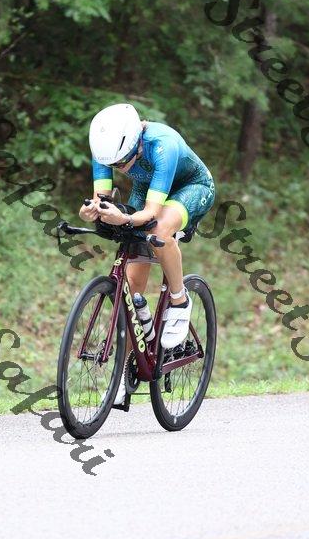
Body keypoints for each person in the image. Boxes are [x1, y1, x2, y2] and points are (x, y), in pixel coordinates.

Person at [79, 103, 215, 404]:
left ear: (137, 143)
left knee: (159, 231)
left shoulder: (162, 145)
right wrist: (91, 211)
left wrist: (126, 217)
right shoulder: (105, 148)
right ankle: (123, 372)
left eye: (123, 161)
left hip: (191, 187)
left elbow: (151, 213)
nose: (119, 168)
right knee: (131, 284)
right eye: (113, 164)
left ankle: (179, 300)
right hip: (149, 186)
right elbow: (101, 199)